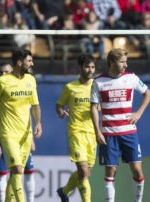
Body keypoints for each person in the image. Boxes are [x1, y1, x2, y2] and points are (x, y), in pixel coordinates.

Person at [90, 48, 150, 202]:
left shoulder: (131, 78)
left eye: (126, 61)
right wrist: (97, 131)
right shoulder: (98, 82)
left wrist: (138, 113)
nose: (126, 65)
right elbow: (93, 107)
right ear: (112, 62)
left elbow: (148, 94)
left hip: (129, 132)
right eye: (122, 62)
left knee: (137, 170)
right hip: (108, 133)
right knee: (111, 170)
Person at [0, 49, 42, 202]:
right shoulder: (1, 82)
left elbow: (35, 105)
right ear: (19, 63)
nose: (32, 64)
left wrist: (39, 122)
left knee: (16, 175)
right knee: (17, 170)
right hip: (9, 135)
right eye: (29, 61)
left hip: (25, 135)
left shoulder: (31, 80)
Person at [55, 54, 97, 202]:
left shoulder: (97, 86)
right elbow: (59, 105)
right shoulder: (70, 87)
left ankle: (64, 191)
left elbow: (101, 107)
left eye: (92, 67)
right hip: (76, 132)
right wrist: (61, 112)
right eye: (87, 67)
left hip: (93, 134)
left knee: (84, 173)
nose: (90, 70)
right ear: (80, 68)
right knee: (84, 171)